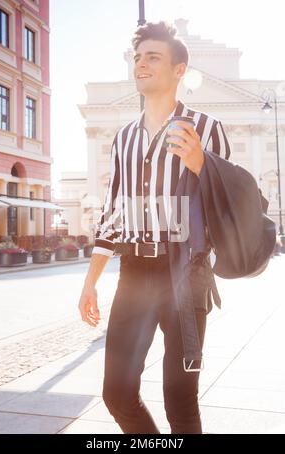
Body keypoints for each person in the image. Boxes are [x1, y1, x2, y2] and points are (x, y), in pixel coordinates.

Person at [78, 21, 230, 434]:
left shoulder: (207, 128)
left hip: (188, 274)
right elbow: (112, 211)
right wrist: (91, 280)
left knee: (180, 401)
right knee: (117, 392)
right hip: (134, 275)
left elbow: (227, 205)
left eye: (153, 57)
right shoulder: (124, 137)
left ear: (179, 70)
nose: (141, 64)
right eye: (138, 57)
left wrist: (203, 166)